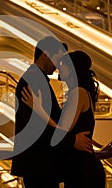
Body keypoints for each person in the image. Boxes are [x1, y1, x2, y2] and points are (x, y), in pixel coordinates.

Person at [11, 36, 93, 188]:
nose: (57, 66)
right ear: (46, 55)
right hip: (40, 163)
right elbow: (37, 127)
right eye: (57, 59)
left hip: (41, 164)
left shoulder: (36, 79)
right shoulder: (34, 81)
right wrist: (72, 141)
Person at [21, 50, 106, 187]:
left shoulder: (78, 93)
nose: (58, 67)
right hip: (80, 166)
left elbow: (60, 131)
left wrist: (38, 110)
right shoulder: (81, 92)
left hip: (82, 168)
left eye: (63, 64)